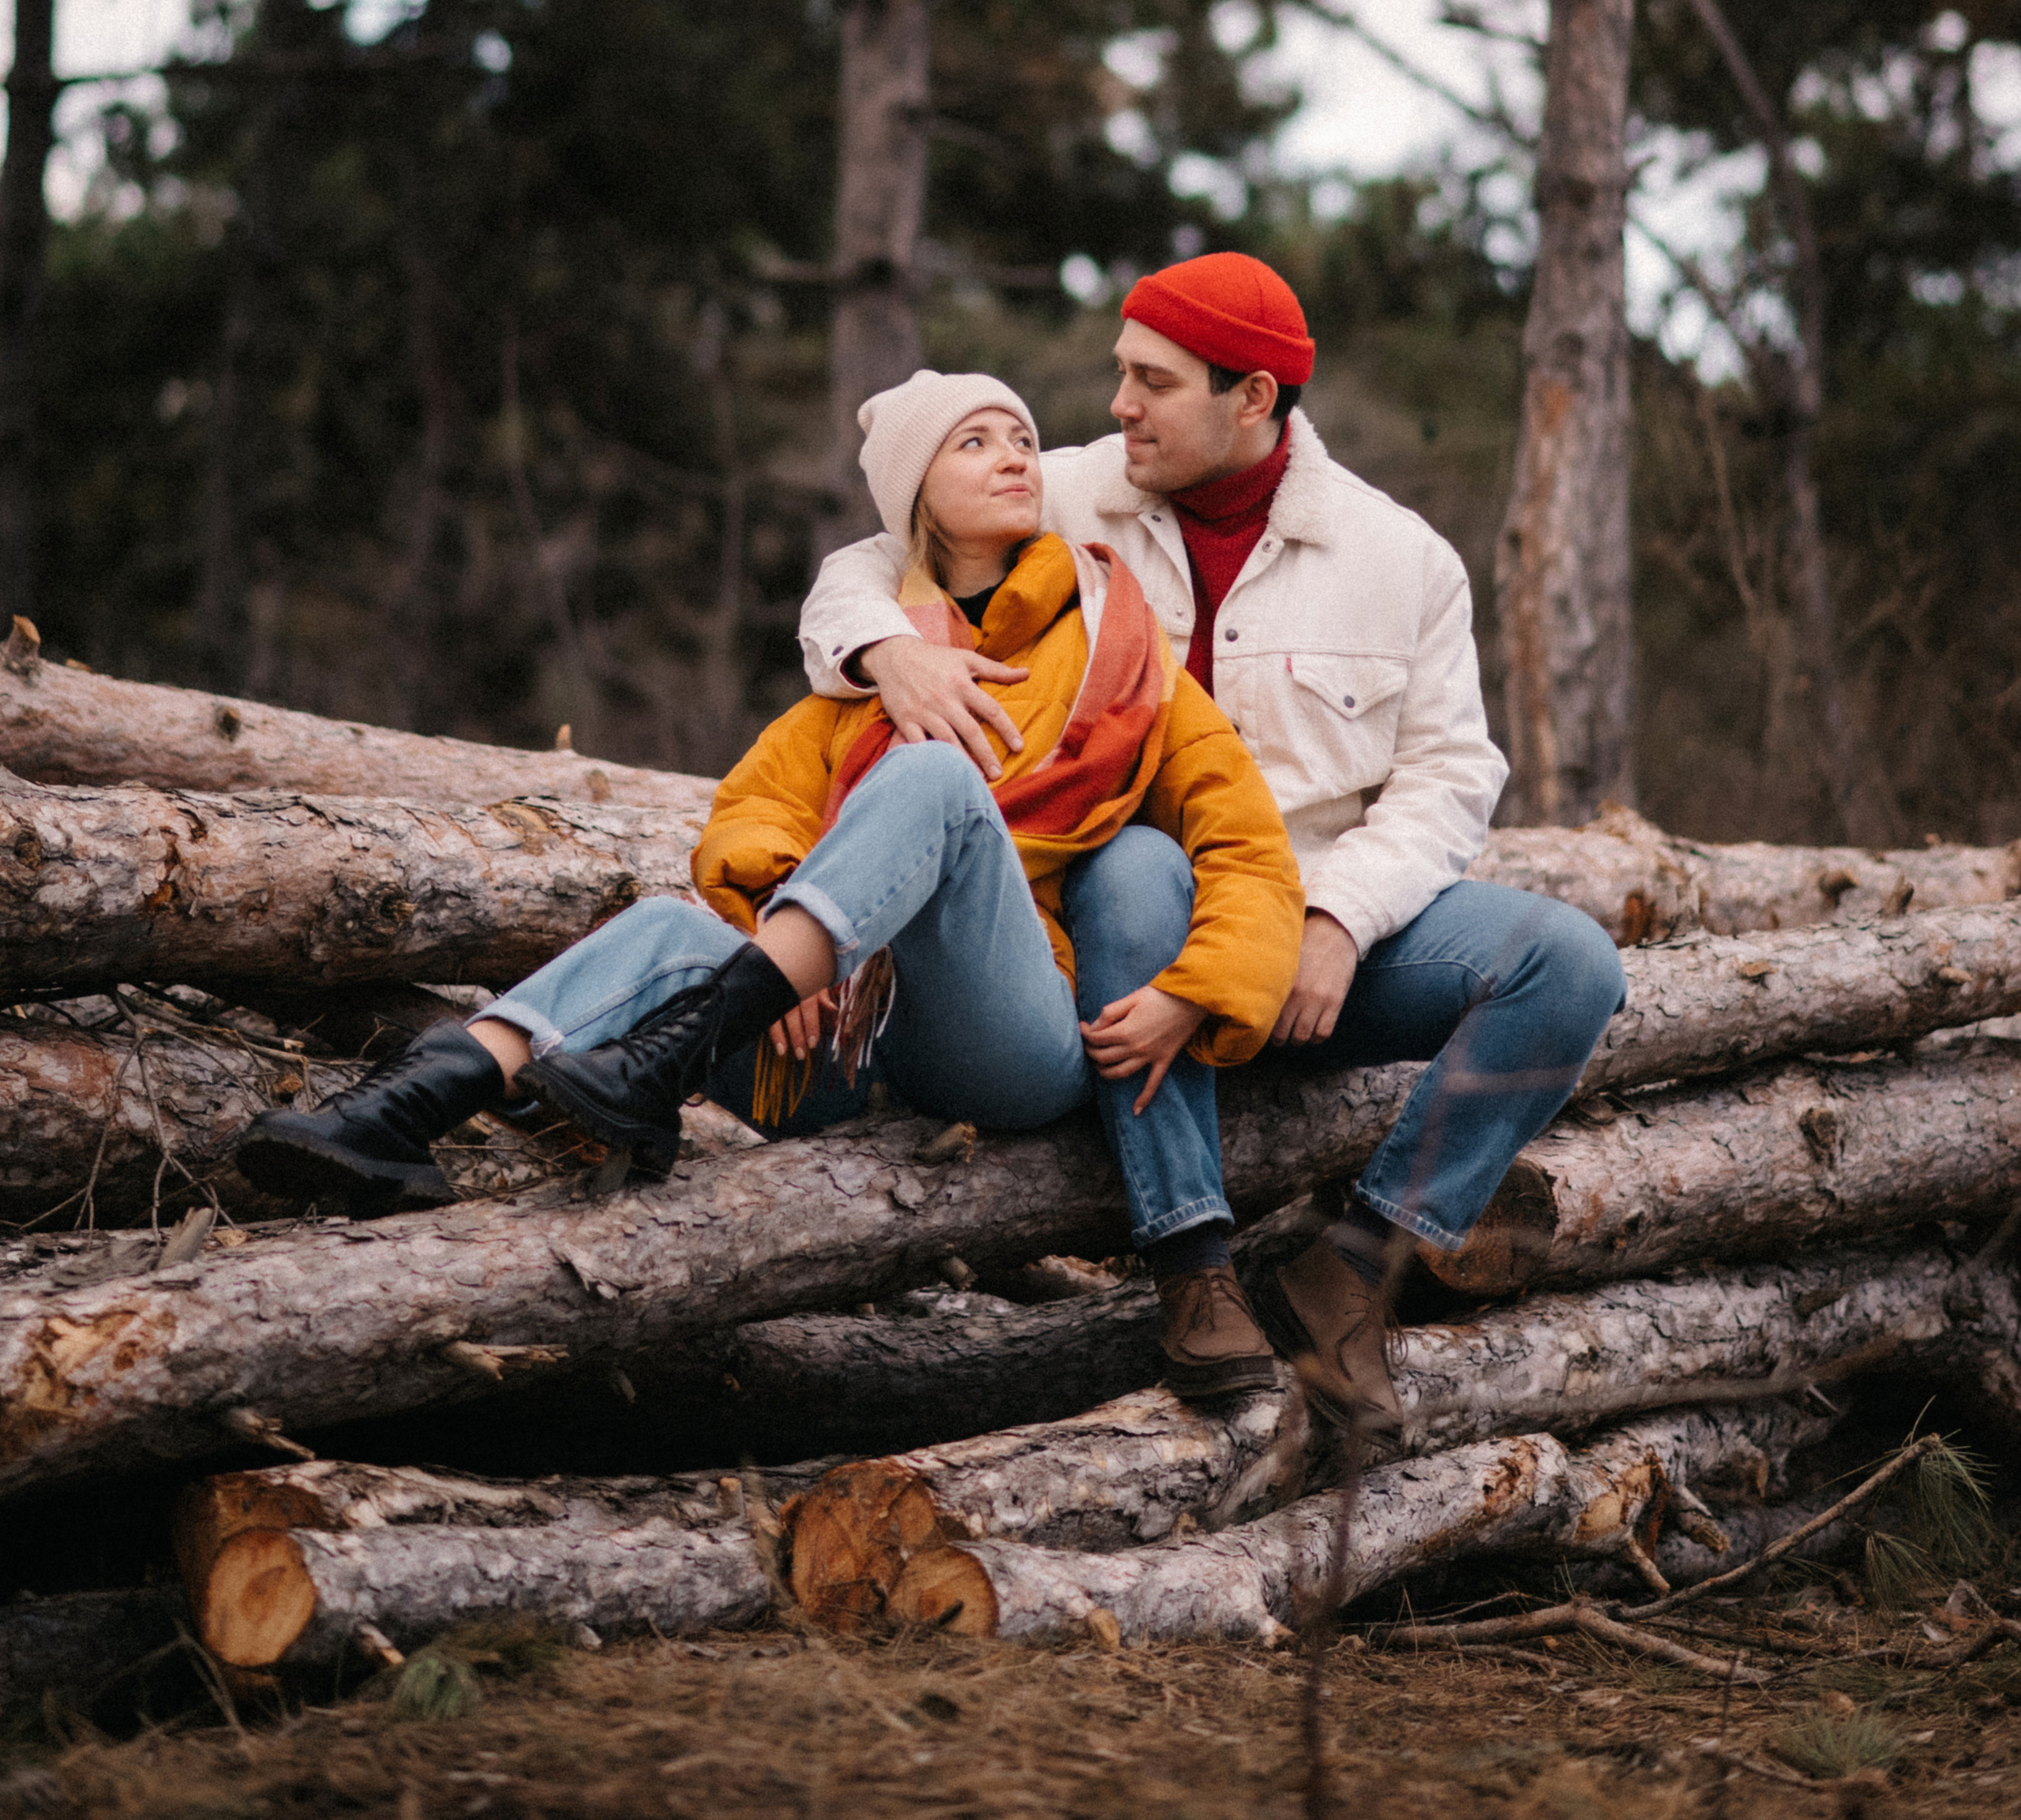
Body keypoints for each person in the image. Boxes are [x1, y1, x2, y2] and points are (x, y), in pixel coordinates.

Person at [235, 370, 1304, 1399]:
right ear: (914, 492)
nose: (1015, 455)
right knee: (666, 926)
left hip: (1009, 1042)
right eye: (974, 441)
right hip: (842, 1045)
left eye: (1022, 437)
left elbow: (1248, 846)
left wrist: (1197, 989)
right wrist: (790, 916)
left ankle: (676, 1051)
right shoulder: (859, 675)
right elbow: (749, 817)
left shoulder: (1122, 650)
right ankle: (402, 1109)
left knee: (935, 779)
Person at [800, 253, 1627, 1429]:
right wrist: (888, 652)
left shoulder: (1401, 559)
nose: (1120, 405)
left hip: (1314, 942)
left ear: (1253, 399)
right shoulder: (1073, 493)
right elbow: (865, 563)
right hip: (1122, 937)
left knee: (1570, 964)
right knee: (1141, 863)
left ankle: (1355, 1269)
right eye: (1122, 374)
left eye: (1154, 381)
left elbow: (1451, 777)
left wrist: (1338, 919)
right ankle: (1192, 1265)